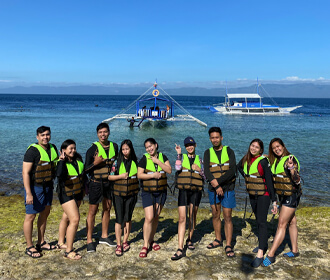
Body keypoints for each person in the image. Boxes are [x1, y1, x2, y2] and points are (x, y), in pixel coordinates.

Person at [237, 139, 278, 267]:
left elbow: (270, 183)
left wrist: (274, 201)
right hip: (252, 194)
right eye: (252, 146)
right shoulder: (246, 159)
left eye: (257, 147)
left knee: (261, 222)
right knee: (257, 220)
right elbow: (238, 167)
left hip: (264, 195)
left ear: (261, 150)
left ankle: (260, 253)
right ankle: (263, 244)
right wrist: (247, 177)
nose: (253, 148)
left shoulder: (263, 162)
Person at [262, 138, 301, 267]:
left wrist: (291, 169)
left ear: (283, 146)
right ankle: (295, 251)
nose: (276, 149)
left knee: (281, 224)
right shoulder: (276, 161)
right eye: (274, 148)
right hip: (283, 196)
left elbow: (296, 179)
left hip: (291, 195)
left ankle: (271, 255)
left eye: (278, 146)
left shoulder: (290, 160)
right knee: (292, 221)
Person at [22, 126, 59, 258]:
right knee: (30, 216)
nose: (45, 137)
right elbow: (25, 173)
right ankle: (29, 246)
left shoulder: (53, 148)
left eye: (47, 134)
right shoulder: (32, 151)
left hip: (48, 186)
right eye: (42, 135)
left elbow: (56, 164)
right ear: (37, 137)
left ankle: (41, 242)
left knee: (44, 214)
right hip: (34, 187)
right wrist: (29, 193)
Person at [84, 123, 118, 252]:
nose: (103, 134)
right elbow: (85, 169)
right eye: (100, 132)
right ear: (97, 134)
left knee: (107, 208)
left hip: (109, 183)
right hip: (96, 183)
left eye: (105, 132)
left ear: (109, 132)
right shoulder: (93, 149)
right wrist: (95, 163)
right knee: (93, 211)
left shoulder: (114, 146)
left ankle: (104, 236)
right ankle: (89, 240)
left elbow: (117, 164)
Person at [204, 127, 236, 257]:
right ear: (210, 139)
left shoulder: (229, 151)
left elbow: (232, 170)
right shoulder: (208, 152)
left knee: (227, 216)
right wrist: (216, 186)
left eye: (217, 137)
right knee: (216, 214)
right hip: (213, 189)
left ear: (221, 137)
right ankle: (218, 239)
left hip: (228, 188)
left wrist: (219, 183)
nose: (215, 140)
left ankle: (228, 245)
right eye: (212, 138)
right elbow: (206, 171)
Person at [171, 137, 204, 261]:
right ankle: (180, 248)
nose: (190, 147)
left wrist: (200, 170)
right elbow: (177, 168)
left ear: (195, 145)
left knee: (192, 215)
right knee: (182, 218)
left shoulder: (200, 159)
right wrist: (179, 154)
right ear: (185, 147)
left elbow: (205, 176)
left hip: (196, 191)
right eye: (187, 145)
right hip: (183, 190)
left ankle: (189, 239)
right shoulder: (182, 157)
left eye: (191, 145)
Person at [137, 138, 172, 258]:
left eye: (150, 146)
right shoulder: (144, 159)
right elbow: (139, 174)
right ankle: (145, 244)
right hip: (148, 192)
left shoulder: (163, 156)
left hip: (161, 192)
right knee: (149, 217)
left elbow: (169, 170)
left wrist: (158, 161)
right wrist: (152, 175)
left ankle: (151, 240)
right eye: (147, 147)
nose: (149, 149)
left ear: (156, 145)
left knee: (156, 217)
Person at [108, 139, 139, 257]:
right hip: (118, 194)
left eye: (127, 149)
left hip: (132, 194)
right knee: (119, 219)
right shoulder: (116, 162)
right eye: (123, 149)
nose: (125, 151)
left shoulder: (135, 161)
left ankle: (125, 240)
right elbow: (110, 177)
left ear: (131, 149)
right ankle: (119, 243)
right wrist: (120, 176)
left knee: (128, 218)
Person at [56, 139, 86, 260]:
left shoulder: (77, 159)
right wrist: (61, 161)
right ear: (63, 150)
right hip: (66, 194)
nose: (73, 150)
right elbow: (59, 175)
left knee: (66, 216)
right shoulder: (61, 162)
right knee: (75, 219)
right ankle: (69, 251)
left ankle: (60, 242)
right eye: (70, 149)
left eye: (74, 148)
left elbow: (82, 173)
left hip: (78, 192)